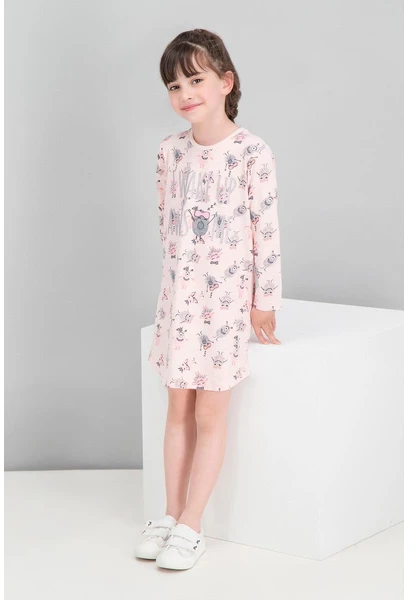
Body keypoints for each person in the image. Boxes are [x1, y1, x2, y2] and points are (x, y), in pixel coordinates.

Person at [135, 28, 283, 570]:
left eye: (195, 80)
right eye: (174, 86)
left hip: (223, 307)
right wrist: (179, 285)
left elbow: (265, 231)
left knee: (209, 413)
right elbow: (167, 226)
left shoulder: (251, 152)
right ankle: (169, 515)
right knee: (177, 408)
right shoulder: (169, 152)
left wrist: (264, 300)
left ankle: (192, 525)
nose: (185, 94)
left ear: (225, 81)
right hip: (178, 302)